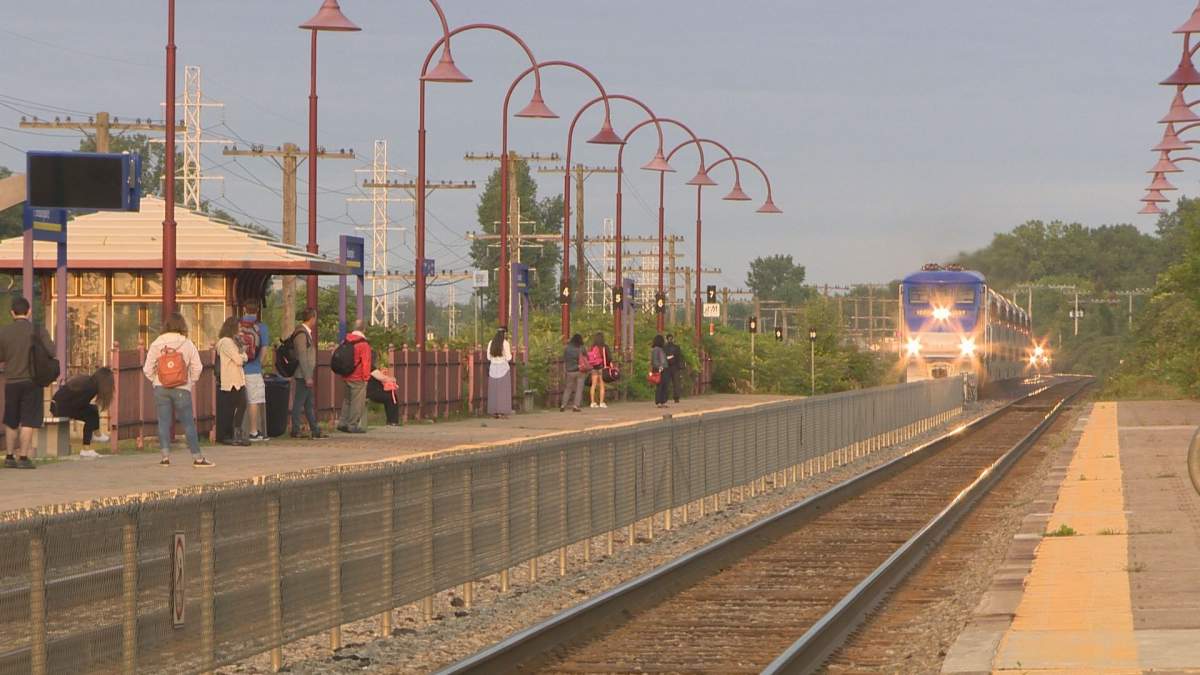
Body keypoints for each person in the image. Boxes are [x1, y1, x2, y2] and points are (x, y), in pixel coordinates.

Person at [143, 312, 214, 467]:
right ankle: (197, 458)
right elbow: (198, 367)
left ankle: (165, 458)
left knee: (163, 422)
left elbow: (147, 368)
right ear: (182, 326)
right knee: (188, 423)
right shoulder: (187, 343)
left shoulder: (157, 343)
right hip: (182, 388)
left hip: (161, 388)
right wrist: (190, 382)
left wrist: (156, 381)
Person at [0, 296, 54, 469]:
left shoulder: (4, 332)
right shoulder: (37, 330)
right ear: (29, 311)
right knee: (29, 420)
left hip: (11, 381)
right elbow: (51, 352)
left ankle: (8, 456)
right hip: (32, 381)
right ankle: (23, 457)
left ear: (12, 313)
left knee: (11, 419)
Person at [50, 367, 115, 459]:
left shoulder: (89, 381)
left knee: (92, 410)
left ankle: (96, 435)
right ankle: (86, 448)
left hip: (57, 405)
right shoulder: (91, 388)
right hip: (60, 408)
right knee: (90, 415)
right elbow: (80, 404)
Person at [290, 307, 325, 439]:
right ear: (312, 318)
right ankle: (295, 429)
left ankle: (315, 429)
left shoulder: (305, 333)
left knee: (309, 403)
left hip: (306, 374)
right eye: (315, 318)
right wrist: (307, 376)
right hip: (302, 375)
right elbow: (302, 356)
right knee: (299, 403)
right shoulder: (301, 334)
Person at [216, 317, 250, 446]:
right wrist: (242, 354)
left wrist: (241, 351)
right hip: (231, 379)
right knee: (232, 407)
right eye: (238, 327)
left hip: (237, 379)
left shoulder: (233, 342)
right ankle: (229, 434)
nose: (240, 330)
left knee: (240, 405)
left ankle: (235, 432)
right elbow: (239, 359)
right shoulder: (226, 343)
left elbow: (245, 356)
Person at [241, 299, 269, 442]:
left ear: (244, 309)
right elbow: (264, 349)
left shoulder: (237, 326)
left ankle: (238, 430)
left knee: (238, 401)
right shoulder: (261, 327)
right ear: (257, 310)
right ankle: (253, 432)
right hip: (253, 369)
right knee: (254, 400)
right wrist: (259, 363)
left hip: (237, 369)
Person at [337, 320, 372, 434]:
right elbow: (366, 362)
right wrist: (366, 378)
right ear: (364, 329)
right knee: (357, 402)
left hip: (346, 375)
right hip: (358, 377)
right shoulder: (363, 344)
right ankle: (352, 425)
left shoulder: (346, 340)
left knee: (347, 400)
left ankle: (342, 423)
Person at [367, 354, 401, 427]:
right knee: (391, 398)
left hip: (371, 390)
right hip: (373, 392)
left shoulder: (364, 366)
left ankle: (391, 421)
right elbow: (381, 378)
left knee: (390, 397)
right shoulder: (370, 367)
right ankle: (393, 421)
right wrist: (392, 379)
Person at [486, 328, 513, 419]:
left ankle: (494, 412)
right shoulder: (505, 343)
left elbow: (488, 357)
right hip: (503, 369)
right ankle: (503, 412)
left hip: (493, 368)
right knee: (503, 391)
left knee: (494, 391)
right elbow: (509, 358)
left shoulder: (491, 342)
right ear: (504, 334)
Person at [560, 333, 586, 412]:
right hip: (580, 370)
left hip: (569, 371)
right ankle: (576, 406)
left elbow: (564, 359)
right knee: (579, 388)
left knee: (568, 388)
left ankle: (563, 405)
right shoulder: (581, 348)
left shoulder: (567, 348)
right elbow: (586, 357)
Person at [588, 332, 610, 409]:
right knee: (602, 385)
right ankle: (601, 402)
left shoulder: (592, 347)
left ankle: (592, 402)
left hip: (594, 367)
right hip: (601, 367)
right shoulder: (604, 347)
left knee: (593, 385)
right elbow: (609, 358)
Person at [664, 333, 686, 404]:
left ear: (666, 339)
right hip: (675, 367)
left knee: (666, 383)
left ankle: (665, 397)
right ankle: (676, 398)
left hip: (666, 367)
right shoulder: (677, 347)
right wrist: (680, 367)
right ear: (672, 339)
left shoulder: (664, 347)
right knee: (676, 383)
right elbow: (679, 357)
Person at [650, 334, 670, 408]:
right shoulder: (656, 349)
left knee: (664, 385)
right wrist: (660, 367)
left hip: (664, 368)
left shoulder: (660, 349)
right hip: (660, 369)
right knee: (660, 386)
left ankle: (663, 401)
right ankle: (659, 401)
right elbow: (655, 360)